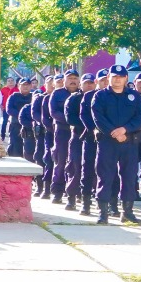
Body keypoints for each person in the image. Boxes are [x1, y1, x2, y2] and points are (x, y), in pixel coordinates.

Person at [92, 65, 141, 225]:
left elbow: (140, 116)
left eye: (121, 77)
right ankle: (103, 212)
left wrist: (124, 130)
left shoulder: (134, 96)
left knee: (129, 177)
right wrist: (114, 133)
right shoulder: (100, 96)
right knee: (105, 176)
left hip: (129, 142)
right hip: (107, 142)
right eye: (114, 76)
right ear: (109, 77)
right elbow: (98, 117)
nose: (117, 79)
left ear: (126, 79)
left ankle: (127, 212)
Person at [62, 74, 91, 212]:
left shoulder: (99, 98)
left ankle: (88, 199)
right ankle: (71, 197)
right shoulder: (73, 99)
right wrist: (90, 125)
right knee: (75, 168)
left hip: (94, 138)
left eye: (92, 83)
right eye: (86, 83)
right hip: (78, 137)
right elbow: (70, 118)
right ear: (81, 84)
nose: (89, 85)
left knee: (94, 170)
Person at [49, 72, 78, 204]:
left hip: (78, 132)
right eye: (70, 78)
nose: (72, 81)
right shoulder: (57, 94)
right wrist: (71, 121)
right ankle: (57, 192)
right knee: (60, 162)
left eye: (75, 78)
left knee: (75, 163)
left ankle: (74, 192)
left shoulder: (81, 94)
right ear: (64, 80)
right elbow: (54, 112)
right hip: (62, 131)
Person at [76, 72, 101, 215]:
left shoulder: (111, 96)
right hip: (90, 137)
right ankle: (85, 201)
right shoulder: (87, 97)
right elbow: (83, 116)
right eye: (101, 80)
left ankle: (104, 201)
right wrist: (95, 129)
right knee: (87, 169)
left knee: (106, 171)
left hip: (109, 139)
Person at [4, 81, 31, 158]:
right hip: (16, 125)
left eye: (27, 85)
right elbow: (9, 109)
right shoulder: (13, 96)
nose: (25, 87)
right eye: (23, 85)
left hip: (29, 127)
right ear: (19, 86)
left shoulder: (34, 96)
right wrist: (22, 115)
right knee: (15, 147)